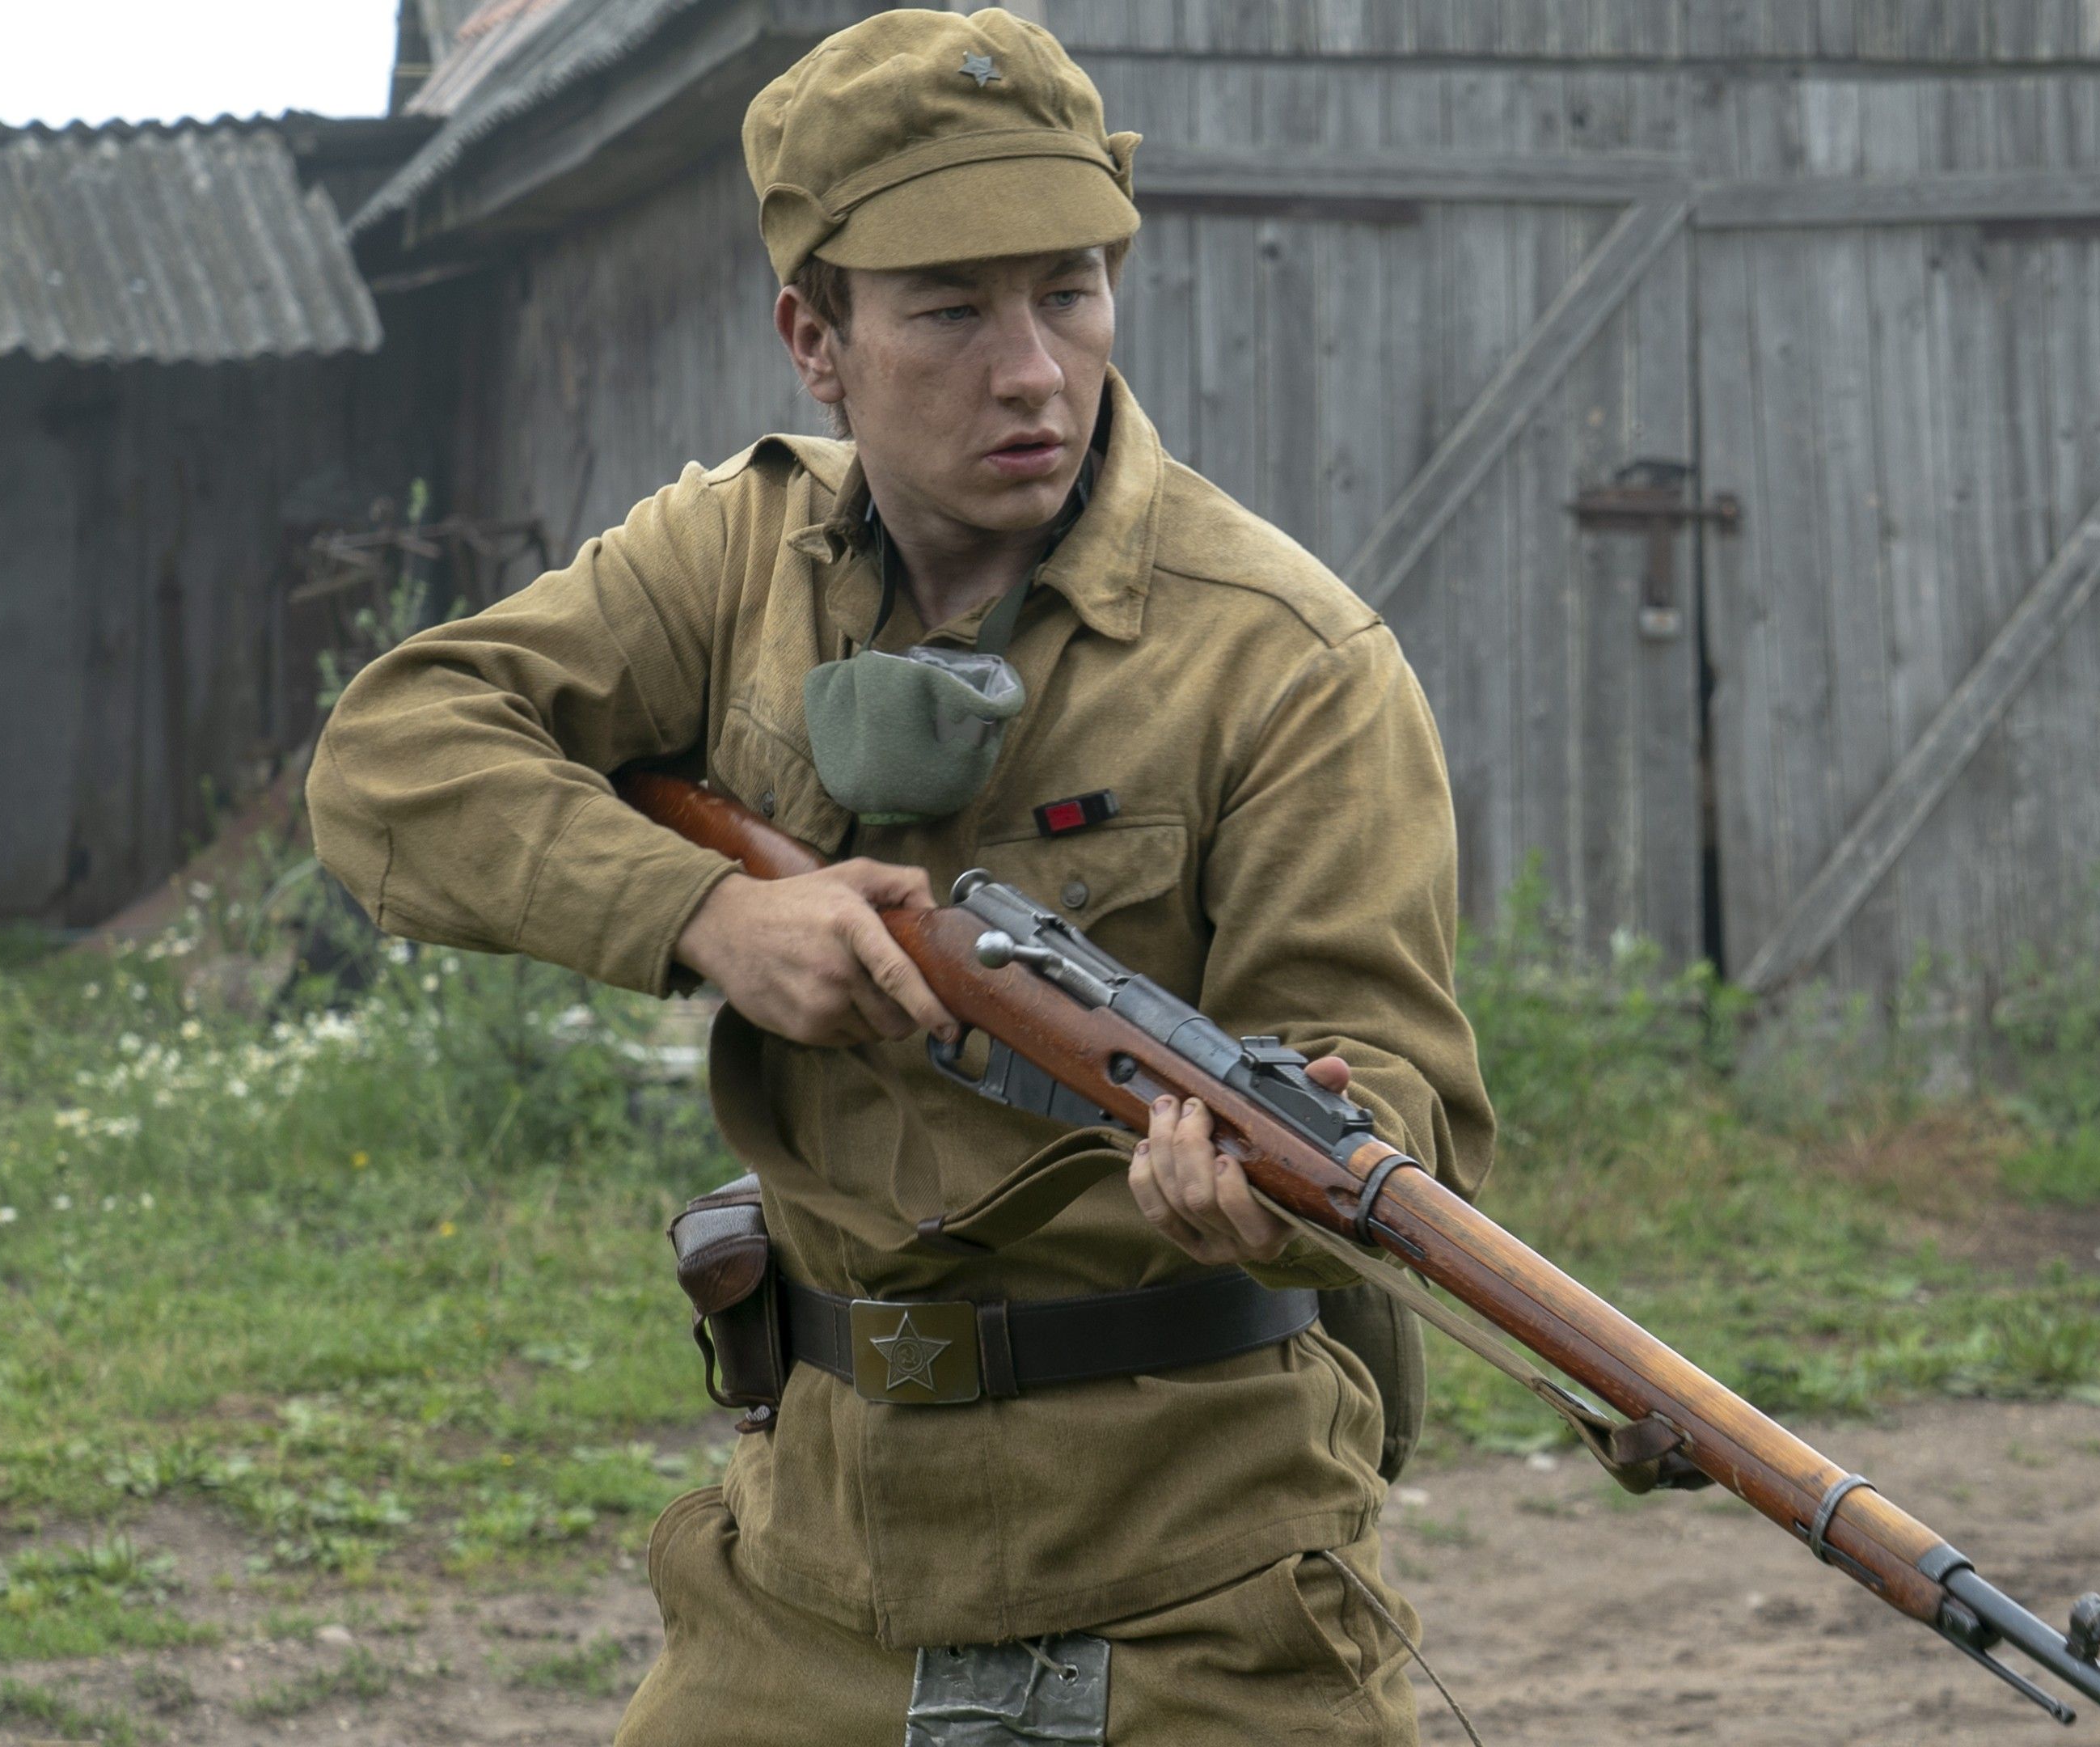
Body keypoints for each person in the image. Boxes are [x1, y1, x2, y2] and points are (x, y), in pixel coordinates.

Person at [305, 9, 1493, 1742]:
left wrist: (1281, 1168)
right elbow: (395, 750)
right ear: (817, 339)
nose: (1033, 372)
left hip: (1208, 1574)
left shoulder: (1291, 657)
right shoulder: (732, 557)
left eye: (1071, 292)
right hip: (811, 1565)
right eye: (950, 311)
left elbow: (1396, 1100)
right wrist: (710, 914)